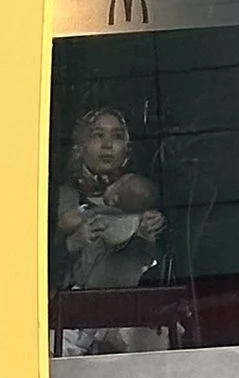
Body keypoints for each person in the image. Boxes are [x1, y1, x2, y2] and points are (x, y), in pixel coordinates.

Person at [54, 106, 167, 352]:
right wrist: (72, 242)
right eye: (97, 135)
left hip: (127, 313)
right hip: (75, 316)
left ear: (127, 147)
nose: (108, 145)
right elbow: (36, 267)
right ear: (81, 145)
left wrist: (151, 228)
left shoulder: (138, 195)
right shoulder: (63, 197)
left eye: (117, 137)